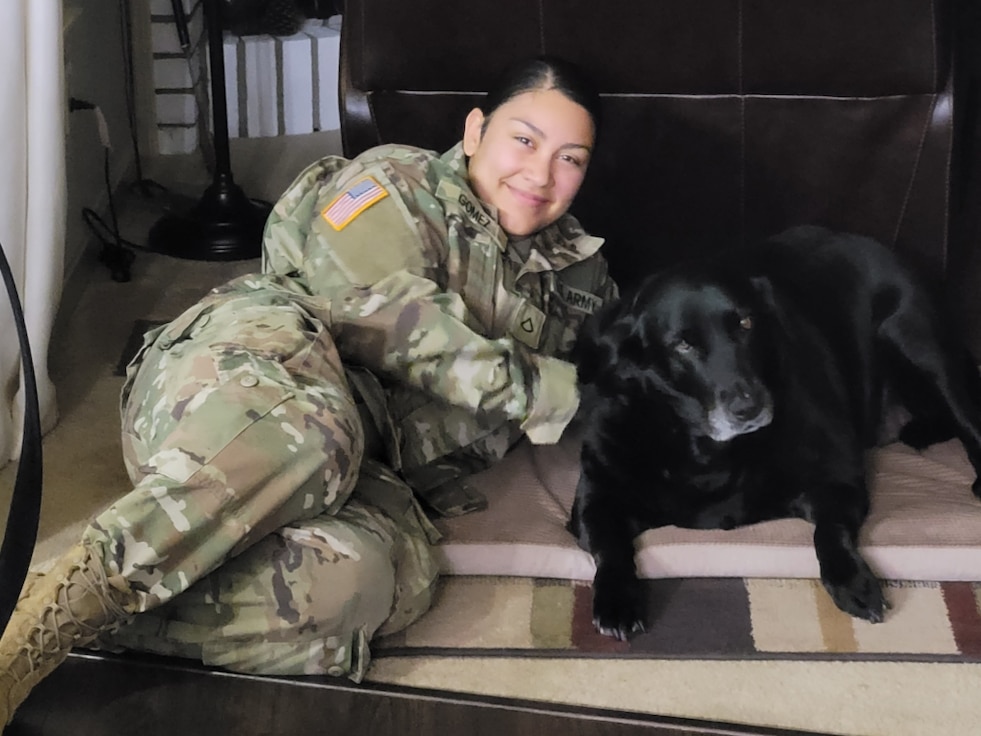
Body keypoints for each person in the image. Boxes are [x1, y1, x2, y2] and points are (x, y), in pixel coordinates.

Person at [0, 55, 617, 725]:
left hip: (371, 465)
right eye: (523, 139)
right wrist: (550, 388)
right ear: (474, 131)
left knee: (357, 585)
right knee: (318, 437)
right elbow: (389, 321)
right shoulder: (392, 184)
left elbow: (633, 367)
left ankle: (54, 608)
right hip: (254, 378)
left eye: (570, 159)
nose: (541, 173)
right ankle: (25, 641)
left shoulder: (579, 281)